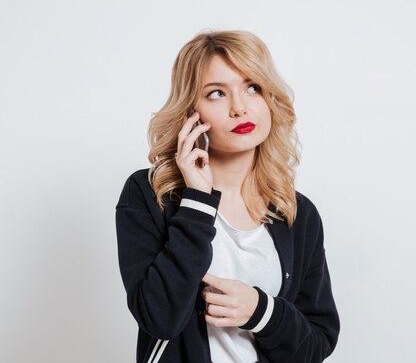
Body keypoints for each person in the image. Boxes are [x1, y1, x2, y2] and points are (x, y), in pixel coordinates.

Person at [115, 29, 339, 363]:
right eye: (217, 93)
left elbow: (316, 344)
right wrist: (196, 200)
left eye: (252, 88)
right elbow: (159, 320)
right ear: (191, 112)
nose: (239, 108)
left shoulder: (297, 213)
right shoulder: (151, 195)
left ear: (269, 99)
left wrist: (262, 312)